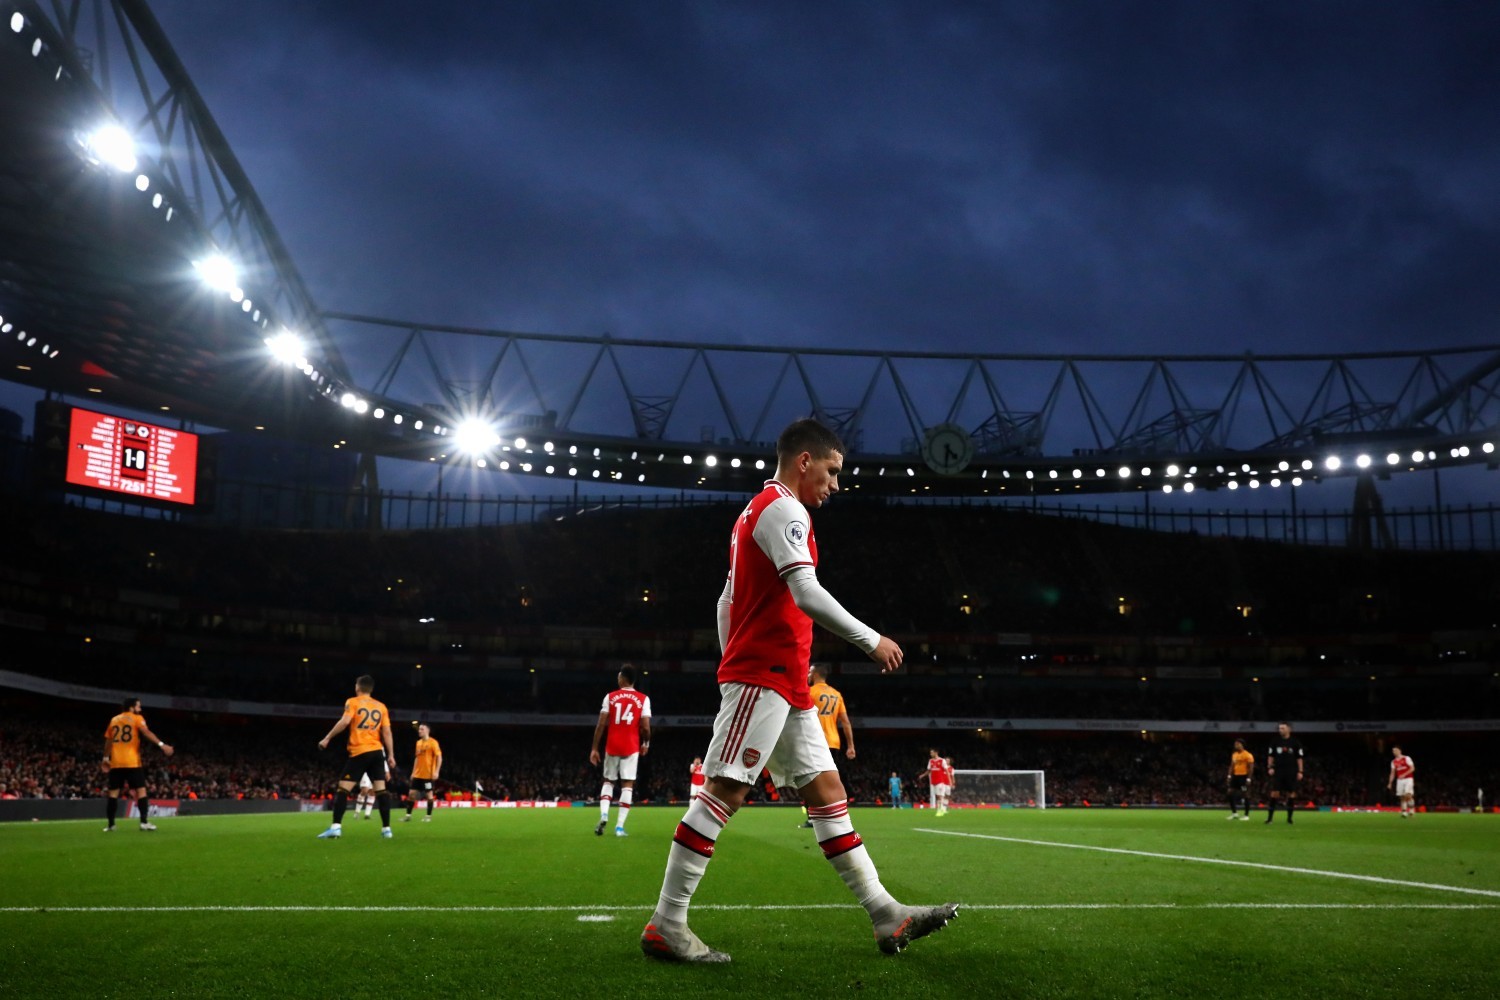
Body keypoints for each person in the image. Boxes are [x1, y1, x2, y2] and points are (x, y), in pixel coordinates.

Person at [641, 418, 958, 963]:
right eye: (832, 471)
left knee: (828, 793)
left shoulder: (755, 514)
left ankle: (887, 915)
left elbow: (727, 599)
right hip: (764, 675)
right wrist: (870, 640)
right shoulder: (783, 509)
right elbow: (805, 591)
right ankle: (667, 924)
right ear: (804, 461)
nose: (836, 484)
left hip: (784, 682)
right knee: (723, 792)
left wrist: (732, 652)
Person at [316, 674, 398, 839]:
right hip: (377, 752)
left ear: (357, 687)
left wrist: (327, 738)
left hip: (360, 751)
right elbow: (387, 732)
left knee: (343, 789)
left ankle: (336, 827)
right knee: (381, 791)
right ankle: (386, 830)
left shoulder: (352, 702)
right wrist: (391, 755)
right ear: (371, 689)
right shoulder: (381, 706)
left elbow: (345, 722)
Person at [591, 664, 652, 837]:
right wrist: (646, 744)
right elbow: (646, 727)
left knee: (608, 782)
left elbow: (601, 724)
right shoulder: (643, 699)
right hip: (631, 746)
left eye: (619, 675)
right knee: (627, 785)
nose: (617, 678)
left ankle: (604, 814)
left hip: (612, 745)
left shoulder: (610, 697)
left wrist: (595, 748)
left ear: (624, 678)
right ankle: (619, 827)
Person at [102, 697, 174, 832]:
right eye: (138, 706)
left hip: (116, 762)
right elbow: (146, 732)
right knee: (141, 791)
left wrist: (106, 757)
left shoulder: (114, 720)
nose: (140, 709)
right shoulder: (137, 718)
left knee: (113, 793)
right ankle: (144, 822)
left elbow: (109, 741)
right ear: (131, 707)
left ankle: (111, 825)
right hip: (132, 762)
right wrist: (161, 745)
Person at [799, 663, 855, 827]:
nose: (808, 675)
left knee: (811, 779)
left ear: (815, 674)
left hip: (815, 741)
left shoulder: (810, 692)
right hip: (834, 742)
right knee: (830, 780)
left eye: (810, 672)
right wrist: (850, 746)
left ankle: (813, 817)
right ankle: (836, 813)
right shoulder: (836, 694)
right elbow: (846, 723)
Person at [1264, 722, 1304, 825]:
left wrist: (1300, 771)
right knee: (1274, 793)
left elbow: (1299, 758)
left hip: (1291, 771)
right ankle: (1269, 819)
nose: (1280, 730)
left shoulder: (1295, 742)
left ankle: (1289, 819)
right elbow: (1270, 756)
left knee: (1291, 794)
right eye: (1279, 728)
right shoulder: (1275, 741)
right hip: (1278, 771)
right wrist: (1270, 767)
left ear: (1288, 729)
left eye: (1282, 728)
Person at [404, 722, 443, 822]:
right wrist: (413, 772)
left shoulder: (433, 742)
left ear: (427, 730)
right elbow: (417, 758)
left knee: (429, 795)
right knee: (411, 794)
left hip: (428, 776)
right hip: (418, 774)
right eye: (419, 729)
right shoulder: (418, 743)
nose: (419, 731)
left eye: (422, 729)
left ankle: (428, 816)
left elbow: (439, 757)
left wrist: (436, 772)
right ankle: (408, 815)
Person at [1226, 738, 1255, 820]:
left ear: (1242, 745)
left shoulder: (1248, 755)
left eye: (1238, 744)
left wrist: (1249, 778)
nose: (1236, 745)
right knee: (1229, 793)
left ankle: (1246, 815)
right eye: (1235, 744)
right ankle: (1234, 813)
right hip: (1235, 776)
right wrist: (1229, 776)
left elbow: (1251, 767)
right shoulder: (1234, 754)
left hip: (1243, 776)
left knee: (1245, 794)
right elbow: (1231, 766)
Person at [1388, 746, 1416, 818]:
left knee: (1408, 795)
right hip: (1399, 780)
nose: (1394, 752)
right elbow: (1392, 773)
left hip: (1408, 779)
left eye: (1395, 750)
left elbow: (1412, 768)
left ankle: (1412, 809)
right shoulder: (1393, 761)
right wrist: (1390, 783)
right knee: (1402, 796)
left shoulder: (1406, 758)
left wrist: (1404, 774)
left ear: (1400, 751)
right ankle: (1404, 812)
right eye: (1393, 751)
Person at [927, 748, 953, 816]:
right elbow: (929, 770)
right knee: (937, 796)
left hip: (940, 781)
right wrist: (923, 775)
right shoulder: (930, 761)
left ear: (936, 753)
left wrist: (950, 780)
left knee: (940, 796)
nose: (930, 754)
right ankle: (940, 809)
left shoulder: (942, 760)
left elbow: (946, 771)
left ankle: (940, 810)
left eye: (931, 753)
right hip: (933, 781)